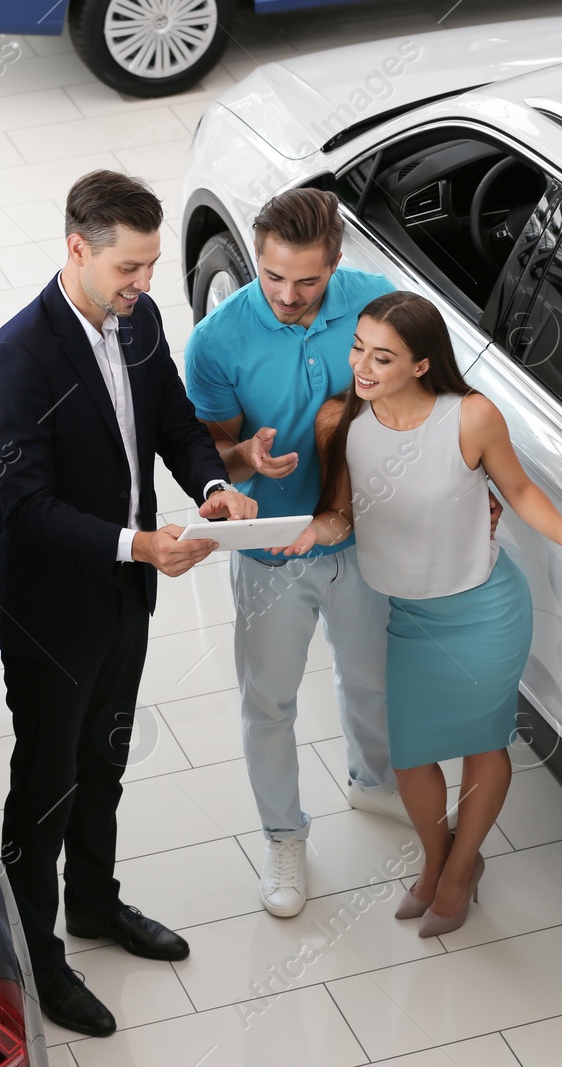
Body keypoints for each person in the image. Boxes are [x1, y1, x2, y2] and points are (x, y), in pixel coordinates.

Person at [0, 169, 255, 1036]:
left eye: (148, 266)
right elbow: (25, 504)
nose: (143, 285)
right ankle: (40, 952)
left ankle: (95, 903)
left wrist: (211, 483)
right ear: (77, 249)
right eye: (129, 268)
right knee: (46, 783)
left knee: (107, 756)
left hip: (126, 594)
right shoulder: (17, 358)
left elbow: (172, 419)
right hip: (51, 609)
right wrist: (138, 541)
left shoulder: (139, 320)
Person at [281, 291, 562, 936]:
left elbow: (520, 489)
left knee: (482, 742)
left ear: (421, 366)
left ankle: (458, 867)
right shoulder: (341, 422)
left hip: (484, 612)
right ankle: (440, 859)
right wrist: (315, 532)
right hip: (412, 617)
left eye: (382, 357)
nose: (361, 366)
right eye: (358, 347)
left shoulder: (470, 418)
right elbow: (341, 512)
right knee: (411, 757)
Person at [182, 188, 405, 919]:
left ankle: (374, 780)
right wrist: (243, 455)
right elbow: (207, 453)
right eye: (272, 276)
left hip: (362, 539)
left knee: (370, 678)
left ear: (335, 265)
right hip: (271, 552)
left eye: (306, 281)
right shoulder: (217, 340)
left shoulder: (378, 305)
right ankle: (284, 835)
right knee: (269, 703)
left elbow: (425, 401)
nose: (286, 294)